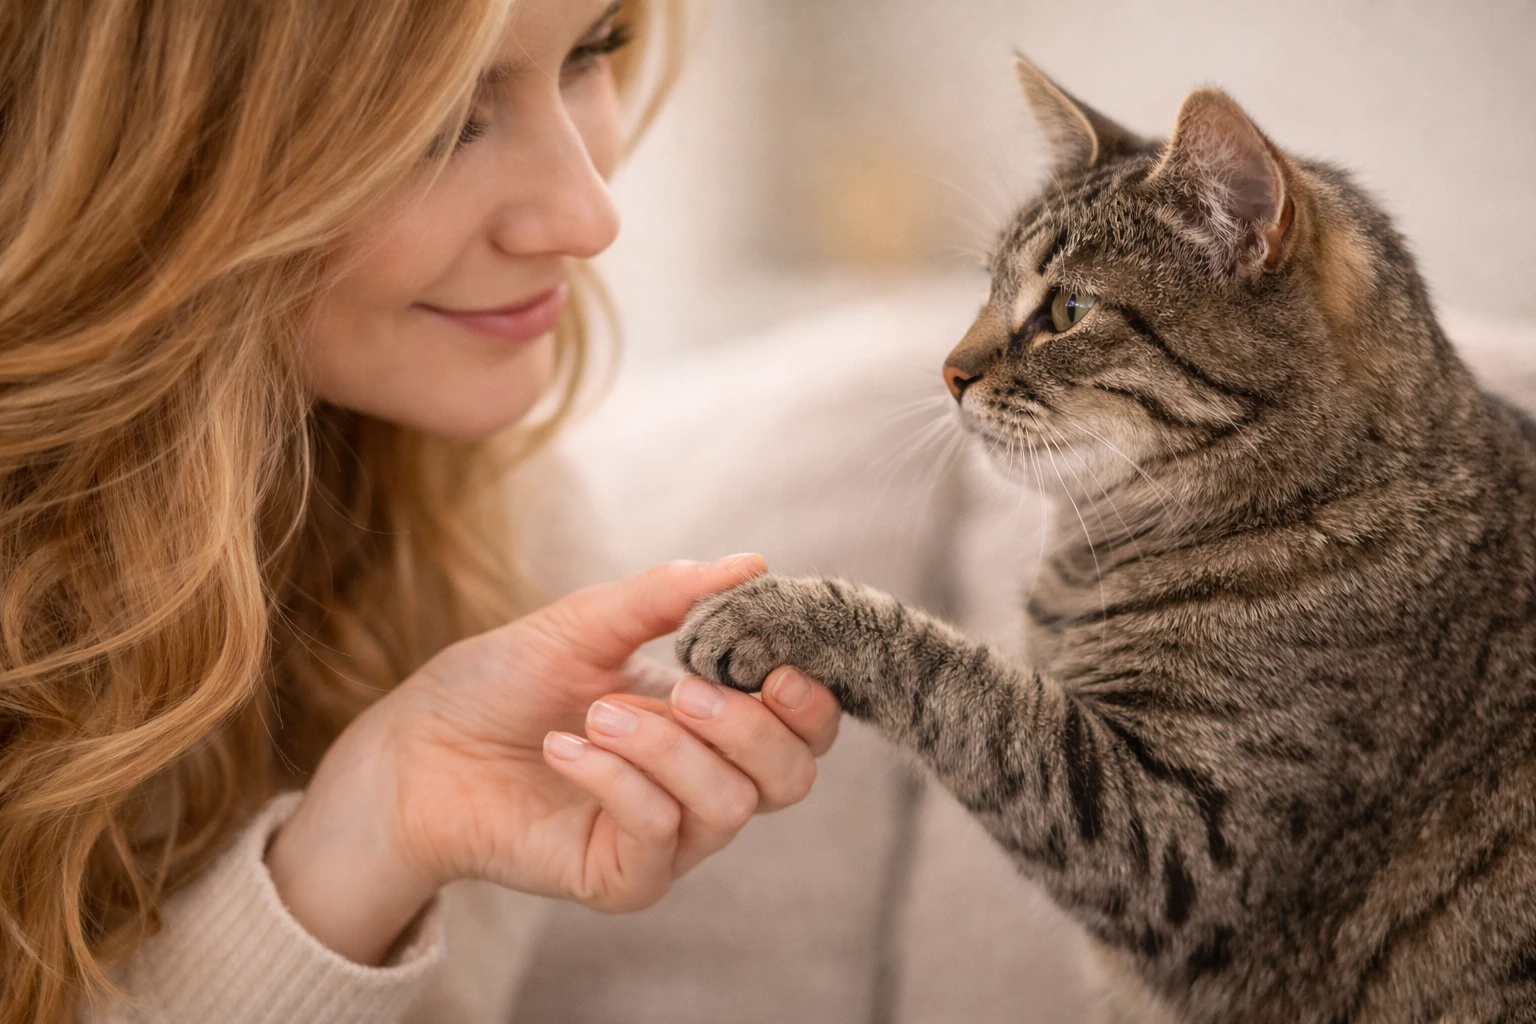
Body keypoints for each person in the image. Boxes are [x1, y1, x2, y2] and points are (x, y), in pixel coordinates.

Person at [0, 1, 843, 1021]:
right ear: (147, 149)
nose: (588, 216)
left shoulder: (491, 533)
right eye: (441, 121)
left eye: (593, 51)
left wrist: (373, 839)